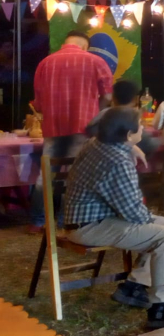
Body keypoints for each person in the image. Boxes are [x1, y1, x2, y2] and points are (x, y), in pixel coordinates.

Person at [63, 107, 164, 329]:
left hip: (83, 219)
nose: (143, 127)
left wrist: (132, 148)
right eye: (140, 125)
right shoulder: (118, 162)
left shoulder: (95, 144)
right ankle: (160, 308)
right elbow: (133, 213)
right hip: (90, 227)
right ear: (127, 134)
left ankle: (134, 287)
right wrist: (149, 217)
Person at [30, 30, 113, 232]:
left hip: (52, 127)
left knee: (46, 176)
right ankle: (65, 221)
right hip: (83, 127)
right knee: (75, 176)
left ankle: (38, 221)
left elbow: (38, 104)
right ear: (84, 46)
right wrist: (97, 114)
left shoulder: (45, 64)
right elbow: (108, 97)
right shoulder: (96, 62)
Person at [85, 80, 158, 158]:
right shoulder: (130, 118)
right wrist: (163, 139)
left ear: (113, 98)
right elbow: (148, 144)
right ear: (135, 99)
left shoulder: (103, 113)